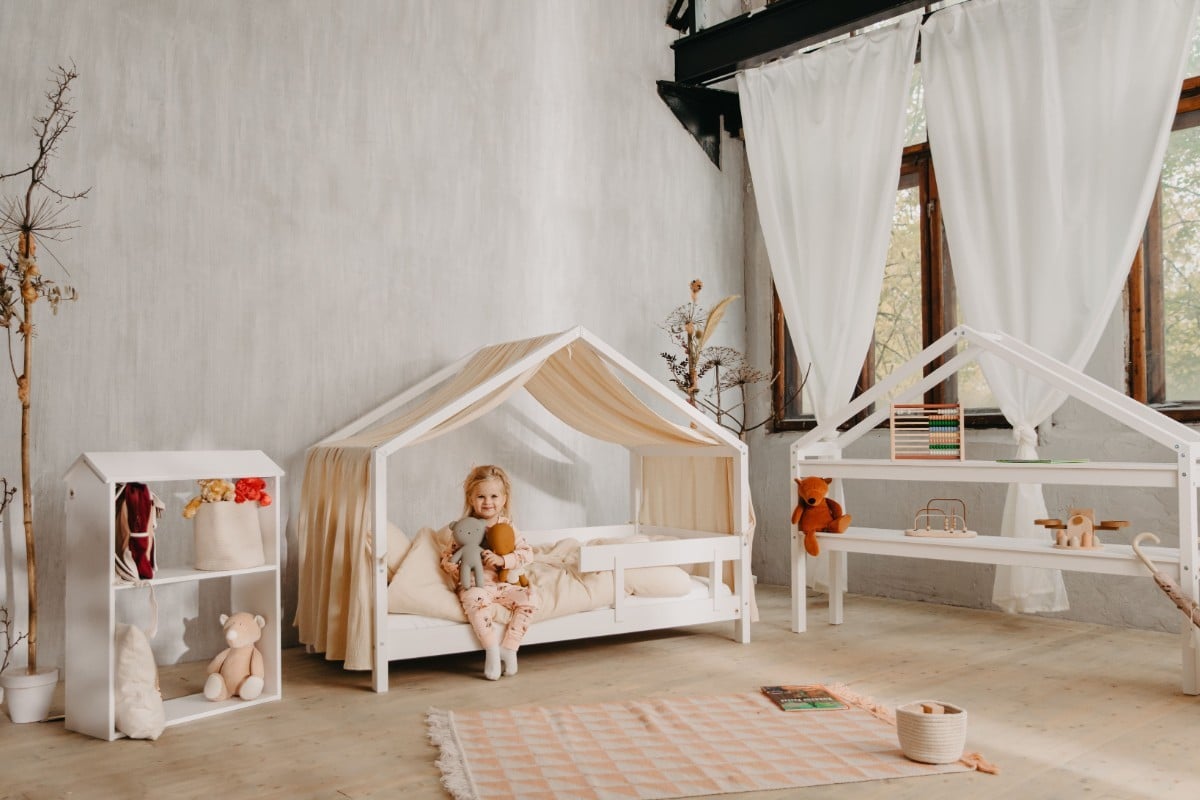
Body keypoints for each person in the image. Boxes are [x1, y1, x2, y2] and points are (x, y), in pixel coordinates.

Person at [440, 465, 539, 680]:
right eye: (481, 496)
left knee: (530, 597)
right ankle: (492, 650)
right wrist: (453, 566)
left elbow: (527, 554)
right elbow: (448, 557)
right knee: (475, 600)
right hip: (477, 584)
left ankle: (510, 648)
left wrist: (503, 560)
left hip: (504, 585)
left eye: (494, 496)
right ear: (471, 499)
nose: (488, 502)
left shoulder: (508, 526)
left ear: (504, 499)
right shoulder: (465, 527)